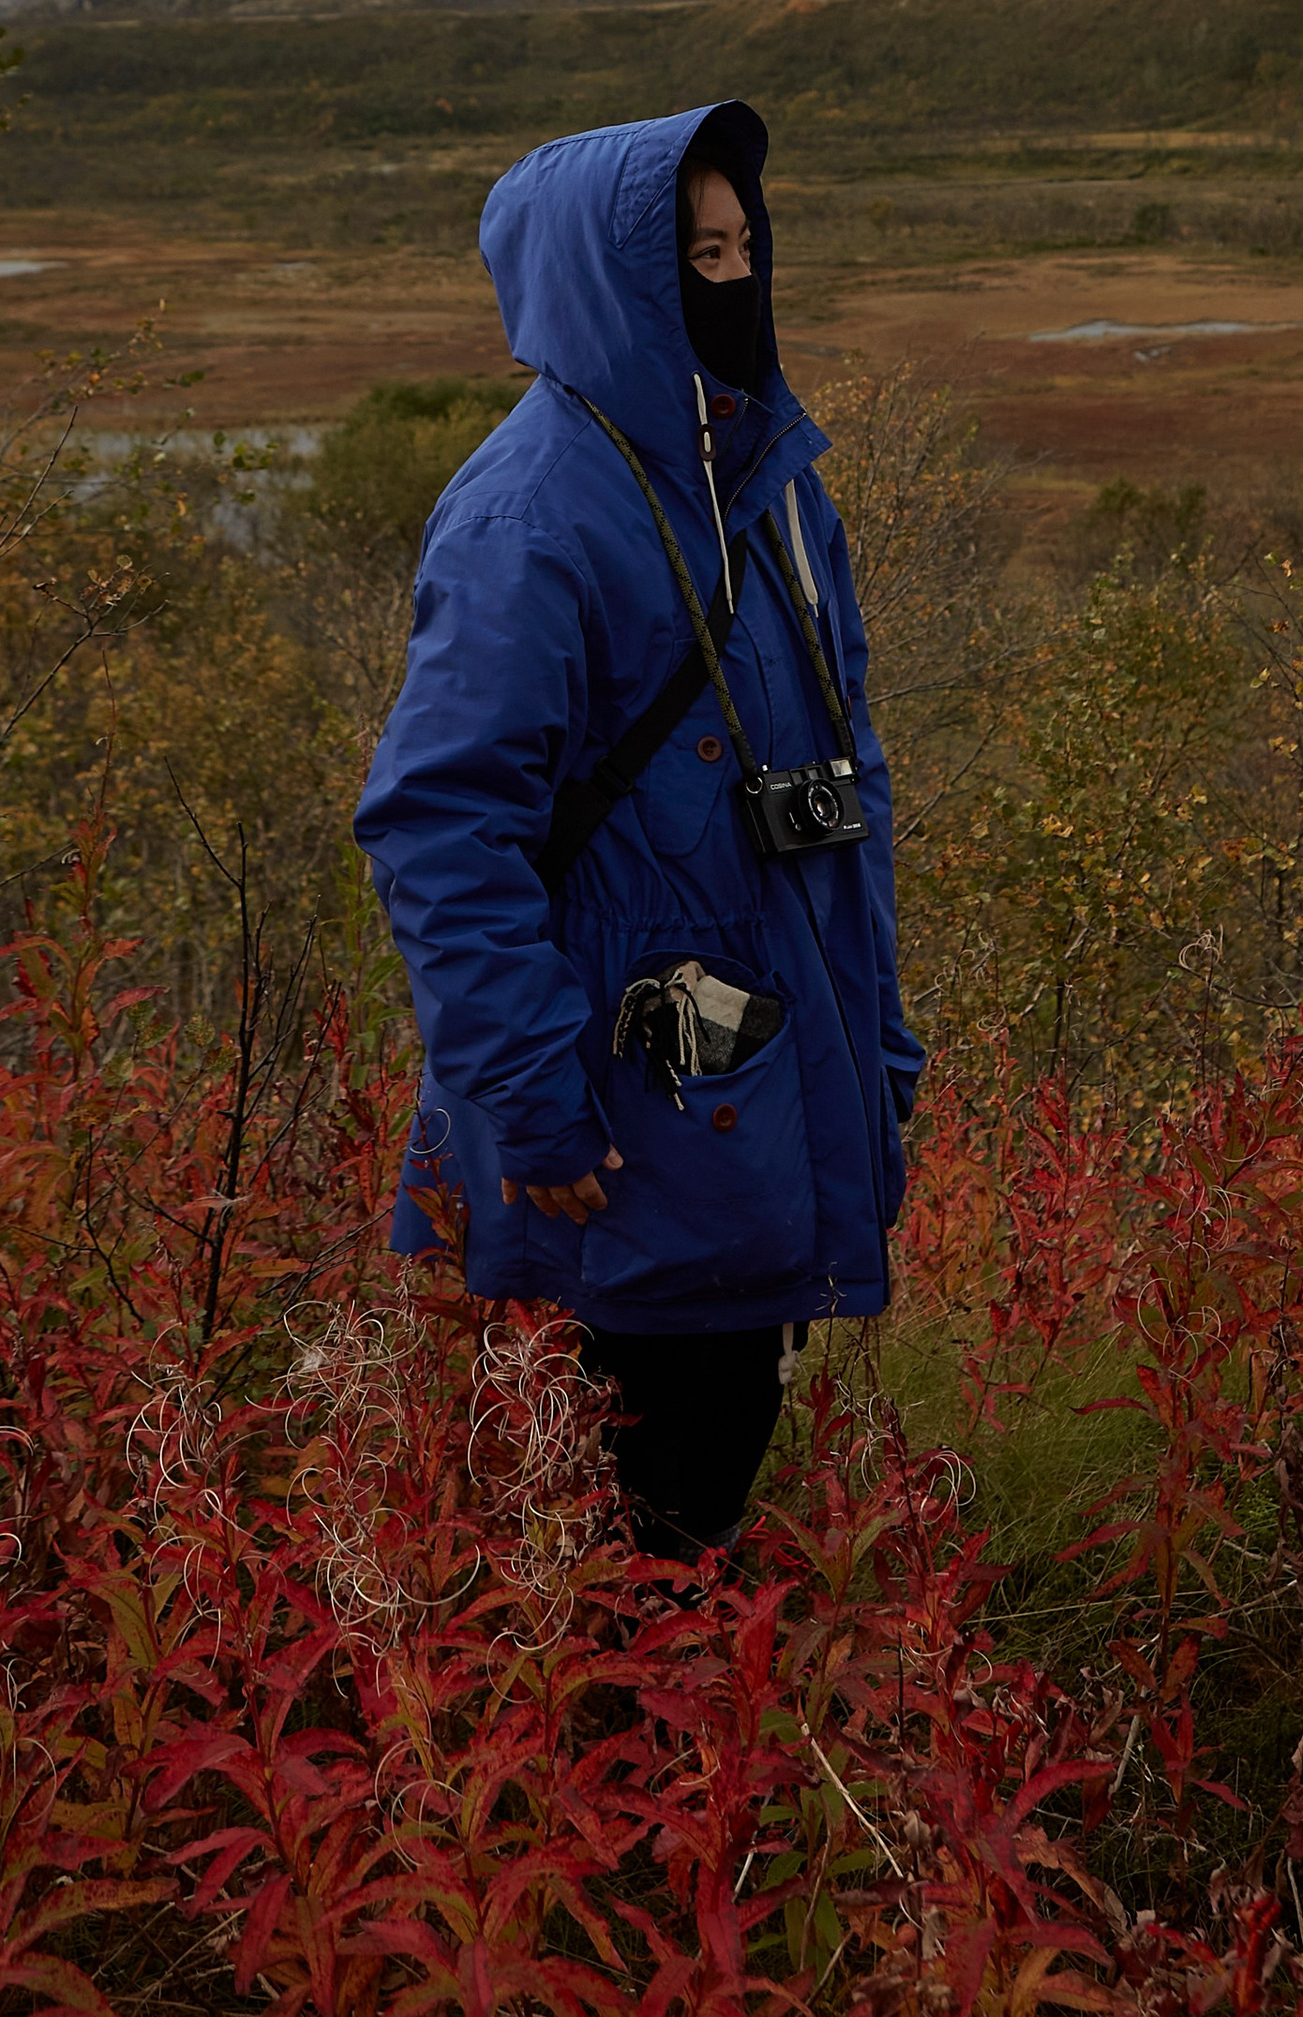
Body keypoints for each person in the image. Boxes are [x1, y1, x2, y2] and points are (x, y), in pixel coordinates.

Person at [354, 99, 923, 1559]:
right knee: (629, 1538)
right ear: (609, 287)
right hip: (618, 1117)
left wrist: (879, 1042)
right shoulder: (530, 518)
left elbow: (844, 790)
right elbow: (440, 830)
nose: (731, 281)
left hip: (762, 1088)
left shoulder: (771, 483)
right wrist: (531, 1101)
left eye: (741, 249)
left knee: (697, 1492)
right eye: (694, 259)